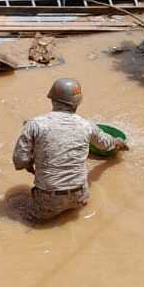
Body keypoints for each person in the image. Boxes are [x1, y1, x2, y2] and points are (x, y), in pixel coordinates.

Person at [12, 78, 128, 222]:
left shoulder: (34, 124)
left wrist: (30, 163)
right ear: (78, 103)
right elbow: (107, 144)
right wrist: (119, 143)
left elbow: (19, 160)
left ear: (52, 99)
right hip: (79, 196)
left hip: (48, 198)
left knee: (25, 214)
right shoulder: (87, 125)